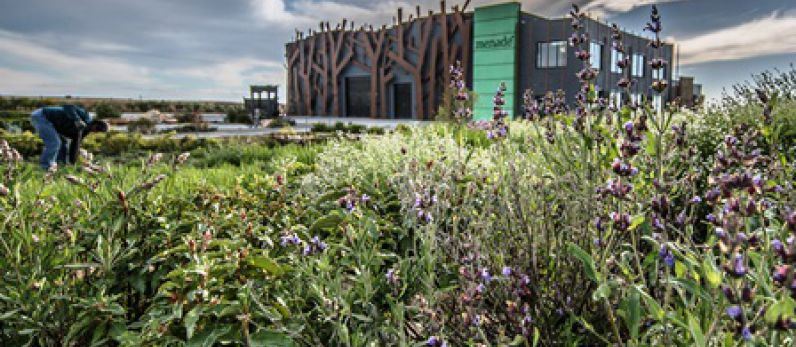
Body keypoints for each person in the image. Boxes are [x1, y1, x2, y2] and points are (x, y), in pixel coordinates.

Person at [30, 105, 109, 170]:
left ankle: (62, 165)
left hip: (54, 124)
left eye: (98, 132)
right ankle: (45, 167)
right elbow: (68, 107)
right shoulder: (85, 116)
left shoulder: (84, 131)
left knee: (64, 143)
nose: (95, 132)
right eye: (97, 129)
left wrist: (72, 163)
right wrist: (77, 119)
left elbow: (75, 146)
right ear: (95, 124)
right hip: (42, 116)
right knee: (55, 143)